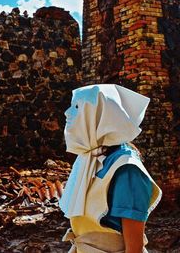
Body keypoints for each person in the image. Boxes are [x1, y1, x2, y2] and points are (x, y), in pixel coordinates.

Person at [59, 84, 162, 253]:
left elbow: (134, 249)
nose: (67, 113)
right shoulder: (87, 160)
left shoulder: (126, 169)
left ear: (100, 115)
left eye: (77, 107)